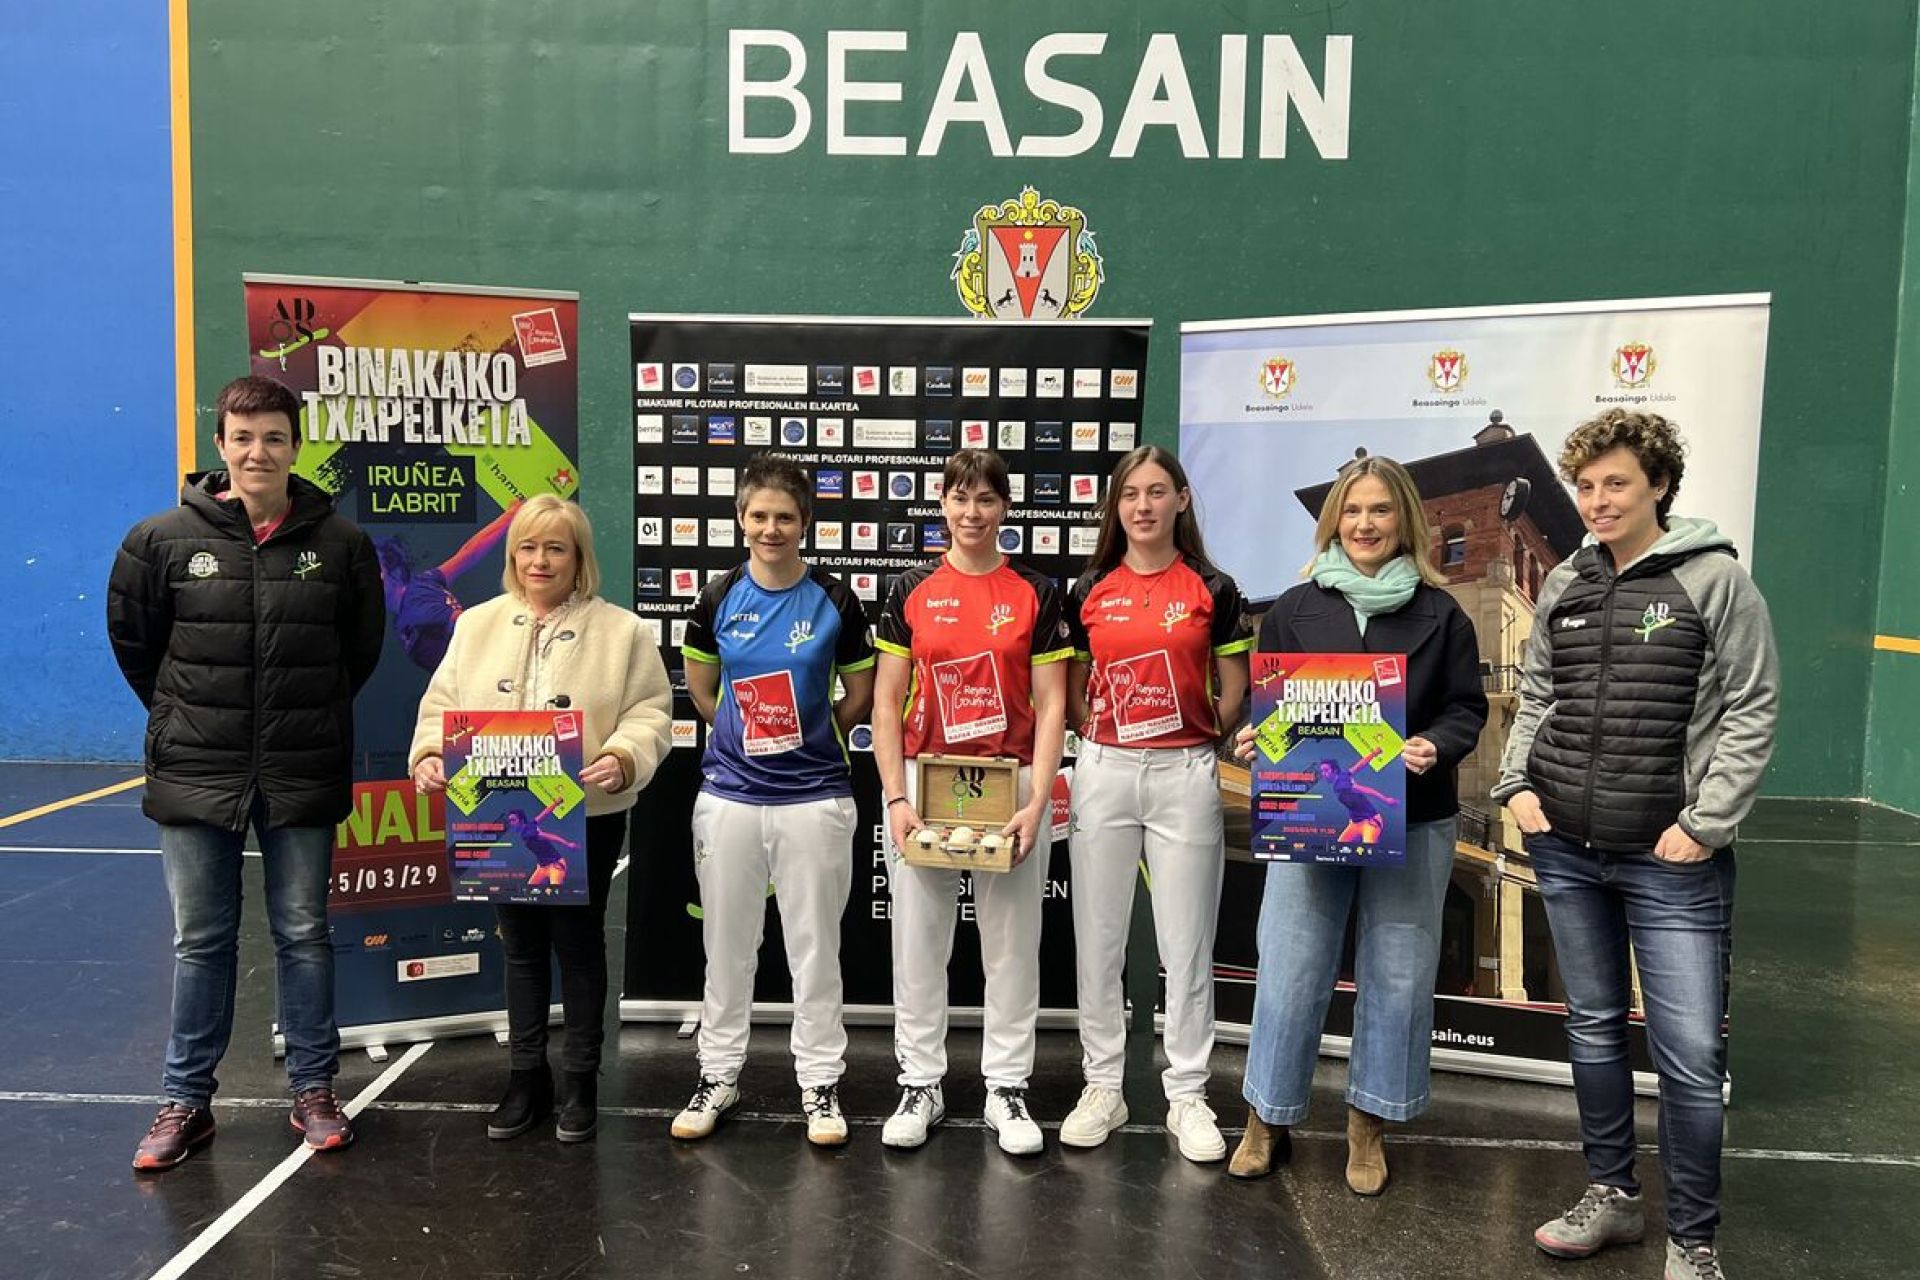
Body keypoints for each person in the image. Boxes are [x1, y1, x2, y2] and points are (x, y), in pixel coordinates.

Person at [1493, 410, 1777, 1280]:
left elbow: (1752, 706)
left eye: (1616, 482)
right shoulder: (1570, 584)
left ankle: (1694, 1242)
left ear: (1658, 484)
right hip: (1568, 852)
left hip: (1673, 861)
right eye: (1585, 486)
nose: (1597, 500)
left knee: (1690, 1060)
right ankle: (1612, 1198)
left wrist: (1705, 824)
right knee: (1595, 1031)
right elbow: (1538, 693)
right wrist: (1518, 786)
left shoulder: (1716, 579)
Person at [107, 374, 386, 1171]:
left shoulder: (341, 546)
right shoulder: (159, 540)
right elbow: (138, 647)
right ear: (221, 445)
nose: (257, 451)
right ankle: (185, 1102)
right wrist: (183, 717)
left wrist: (302, 717)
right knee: (201, 939)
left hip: (301, 766)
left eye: (273, 436)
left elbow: (356, 653)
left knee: (304, 934)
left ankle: (313, 1090)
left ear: (295, 446)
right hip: (197, 766)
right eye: (243, 436)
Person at [1228, 455, 1487, 1195]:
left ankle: (1368, 1125)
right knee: (1288, 969)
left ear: (1405, 519)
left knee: (1399, 978)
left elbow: (1465, 708)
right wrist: (1257, 738)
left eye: (1380, 511)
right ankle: (1265, 1118)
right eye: (1352, 511)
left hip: (1416, 814)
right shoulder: (1294, 608)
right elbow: (1274, 706)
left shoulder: (1443, 615)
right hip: (1311, 818)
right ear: (1333, 522)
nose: (1366, 524)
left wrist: (1436, 743)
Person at [410, 495, 672, 1143]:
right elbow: (441, 704)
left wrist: (623, 756)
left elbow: (651, 714)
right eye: (527, 546)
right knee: (520, 949)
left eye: (555, 547)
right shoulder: (475, 625)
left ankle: (580, 1081)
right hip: (494, 811)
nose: (539, 559)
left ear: (579, 558)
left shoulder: (624, 632)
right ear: (511, 555)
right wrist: (430, 753)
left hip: (587, 812)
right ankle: (526, 1077)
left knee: (579, 948)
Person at [669, 455, 876, 1147]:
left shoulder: (836, 601)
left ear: (805, 521)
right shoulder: (716, 597)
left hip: (814, 798)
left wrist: (817, 737)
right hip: (729, 797)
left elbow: (860, 693)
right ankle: (718, 1075)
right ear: (740, 518)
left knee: (814, 951)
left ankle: (819, 1084)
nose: (771, 527)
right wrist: (741, 737)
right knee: (726, 948)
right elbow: (702, 691)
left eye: (784, 516)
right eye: (758, 515)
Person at [872, 448, 1070, 1157]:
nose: (972, 513)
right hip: (927, 783)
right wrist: (896, 796)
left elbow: (1053, 708)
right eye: (960, 499)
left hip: (1009, 785)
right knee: (919, 944)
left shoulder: (1037, 592)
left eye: (986, 500)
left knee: (1012, 948)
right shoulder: (910, 588)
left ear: (1005, 508)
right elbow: (888, 701)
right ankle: (920, 1082)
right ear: (942, 505)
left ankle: (1007, 1087)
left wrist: (1037, 798)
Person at [1058, 446, 1252, 1162]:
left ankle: (1188, 1093)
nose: (1142, 506)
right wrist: (1093, 729)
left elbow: (1235, 684)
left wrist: (1204, 733)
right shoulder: (1089, 587)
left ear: (1182, 498)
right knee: (1099, 937)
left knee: (1186, 942)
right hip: (1105, 769)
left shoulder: (1213, 587)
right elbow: (1073, 681)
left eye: (1156, 492)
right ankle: (1102, 1084)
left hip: (1184, 772)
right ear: (1116, 506)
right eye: (1130, 494)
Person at [374, 499, 522, 671]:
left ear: (396, 572)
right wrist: (510, 514)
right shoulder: (422, 584)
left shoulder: (417, 605)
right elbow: (468, 554)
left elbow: (469, 624)